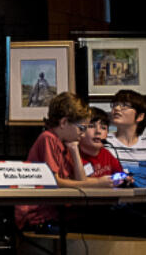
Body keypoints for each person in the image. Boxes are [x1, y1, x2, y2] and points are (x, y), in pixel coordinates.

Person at [16, 93, 115, 231]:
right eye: (81, 128)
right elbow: (55, 182)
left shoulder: (67, 143)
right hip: (42, 215)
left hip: (61, 213)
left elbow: (80, 180)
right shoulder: (48, 138)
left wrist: (74, 150)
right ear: (63, 122)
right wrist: (98, 183)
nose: (83, 133)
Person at [105, 89, 146, 187]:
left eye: (124, 105)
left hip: (142, 201)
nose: (117, 108)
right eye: (115, 104)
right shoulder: (104, 142)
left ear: (140, 116)